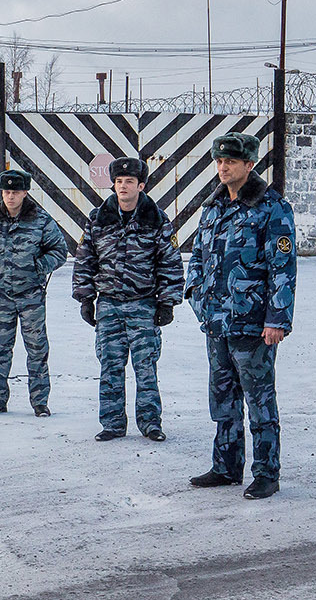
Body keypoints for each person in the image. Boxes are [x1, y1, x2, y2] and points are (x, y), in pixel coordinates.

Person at [185, 132, 296, 500]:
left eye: (230, 161)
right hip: (216, 322)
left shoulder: (271, 207)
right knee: (223, 398)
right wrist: (196, 297)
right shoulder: (212, 207)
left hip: (253, 323)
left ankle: (266, 472)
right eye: (219, 161)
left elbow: (283, 267)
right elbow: (198, 258)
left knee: (260, 400)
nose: (223, 167)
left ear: (249, 164)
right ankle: (226, 466)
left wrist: (277, 319)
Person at [73, 156, 184, 443]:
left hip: (143, 303)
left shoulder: (156, 219)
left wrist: (167, 302)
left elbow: (169, 262)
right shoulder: (98, 218)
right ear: (113, 185)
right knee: (110, 365)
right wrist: (86, 298)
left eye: (129, 182)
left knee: (146, 366)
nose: (123, 186)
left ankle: (150, 423)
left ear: (141, 185)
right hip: (109, 303)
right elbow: (86, 259)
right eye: (119, 182)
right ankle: (112, 423)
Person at [0, 169, 69, 417]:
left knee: (37, 349)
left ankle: (39, 401)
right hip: (1, 295)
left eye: (15, 192)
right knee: (1, 349)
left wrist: (38, 267)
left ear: (25, 193)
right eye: (6, 192)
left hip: (31, 295)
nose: (10, 197)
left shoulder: (40, 221)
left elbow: (59, 251)